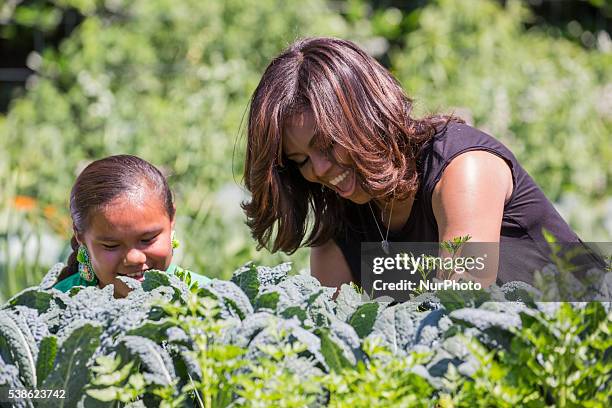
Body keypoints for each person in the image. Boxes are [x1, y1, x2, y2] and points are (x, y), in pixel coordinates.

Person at [242, 37, 594, 291]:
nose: (318, 169)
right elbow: (334, 341)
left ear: (366, 117)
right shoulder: (338, 229)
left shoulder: (461, 168)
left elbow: (462, 305)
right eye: (301, 160)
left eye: (329, 145)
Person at [53, 155, 210, 297]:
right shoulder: (57, 302)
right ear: (81, 237)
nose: (134, 258)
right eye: (111, 245)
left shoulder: (206, 297)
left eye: (148, 239)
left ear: (171, 219)